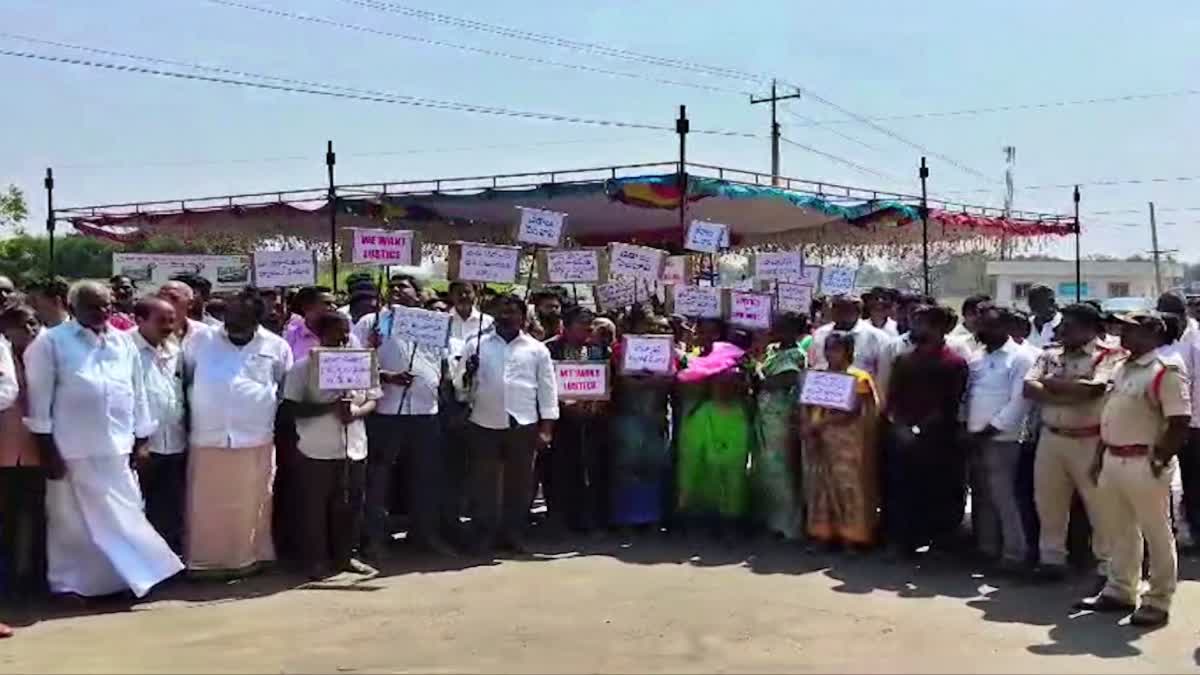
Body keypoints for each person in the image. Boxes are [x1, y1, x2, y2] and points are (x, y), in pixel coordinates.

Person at [24, 281, 182, 598]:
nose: (103, 311)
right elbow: (39, 402)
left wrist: (142, 441)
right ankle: (70, 586)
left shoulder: (123, 344)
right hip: (71, 450)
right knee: (72, 523)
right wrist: (47, 450)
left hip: (118, 447)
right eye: (94, 306)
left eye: (107, 305)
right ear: (72, 308)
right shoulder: (51, 343)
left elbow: (137, 395)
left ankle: (122, 581)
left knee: (125, 516)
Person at [1076, 311, 1190, 628]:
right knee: (1119, 529)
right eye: (1122, 328)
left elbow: (1179, 421)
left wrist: (1160, 458)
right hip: (1113, 457)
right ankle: (1120, 589)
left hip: (1144, 460)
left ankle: (1157, 599)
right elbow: (1110, 416)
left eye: (1131, 329)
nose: (1122, 334)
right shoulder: (1123, 366)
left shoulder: (1165, 369)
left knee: (1156, 532)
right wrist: (1100, 456)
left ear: (1153, 333)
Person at [184, 288, 292, 577]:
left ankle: (249, 559)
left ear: (256, 319)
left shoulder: (276, 346)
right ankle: (204, 564)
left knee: (251, 504)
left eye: (242, 317)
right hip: (209, 436)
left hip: (255, 437)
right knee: (205, 506)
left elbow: (283, 387)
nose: (231, 321)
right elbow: (187, 376)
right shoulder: (200, 339)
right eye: (229, 314)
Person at [353, 274, 456, 558]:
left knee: (426, 478)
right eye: (392, 286)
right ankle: (374, 539)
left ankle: (425, 536)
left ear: (418, 293)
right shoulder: (372, 322)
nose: (397, 290)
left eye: (404, 286)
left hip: (426, 412)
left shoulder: (432, 323)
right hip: (385, 412)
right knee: (378, 479)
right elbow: (352, 363)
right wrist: (385, 375)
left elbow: (442, 361)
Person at [1023, 303, 1124, 583]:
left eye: (1070, 325)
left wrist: (1052, 385)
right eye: (1062, 324)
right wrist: (1069, 393)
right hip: (1051, 437)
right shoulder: (1050, 353)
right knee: (1048, 502)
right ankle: (1051, 560)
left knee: (1100, 505)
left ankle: (1108, 567)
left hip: (1090, 439)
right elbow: (1029, 387)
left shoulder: (1109, 355)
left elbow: (1094, 389)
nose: (1062, 330)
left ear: (1090, 329)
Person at [455, 294, 559, 555]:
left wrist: (546, 428)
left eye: (513, 312)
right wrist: (468, 372)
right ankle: (485, 534)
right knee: (484, 483)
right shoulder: (476, 344)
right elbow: (459, 388)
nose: (507, 316)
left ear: (523, 317)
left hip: (523, 424)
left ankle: (513, 533)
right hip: (483, 421)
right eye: (502, 311)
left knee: (520, 483)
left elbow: (547, 391)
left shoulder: (537, 349)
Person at [283, 311, 378, 579]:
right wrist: (327, 408)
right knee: (314, 509)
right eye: (337, 331)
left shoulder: (361, 363)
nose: (344, 337)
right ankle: (315, 561)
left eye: (346, 331)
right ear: (321, 335)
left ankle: (346, 557)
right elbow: (290, 409)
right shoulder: (303, 367)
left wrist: (356, 413)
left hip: (354, 448)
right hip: (316, 449)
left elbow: (372, 399)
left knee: (350, 506)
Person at [883, 304, 969, 557]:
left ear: (941, 328)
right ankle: (903, 541)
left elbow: (951, 403)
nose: (917, 328)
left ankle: (940, 543)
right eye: (915, 322)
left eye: (924, 323)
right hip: (903, 436)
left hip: (939, 439)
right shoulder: (903, 359)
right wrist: (900, 426)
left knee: (939, 491)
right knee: (902, 489)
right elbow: (893, 398)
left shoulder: (954, 363)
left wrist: (921, 429)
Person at [965, 303, 1036, 571]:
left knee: (1004, 497)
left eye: (991, 324)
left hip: (1003, 438)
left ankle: (1014, 553)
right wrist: (968, 429)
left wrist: (991, 429)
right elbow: (969, 396)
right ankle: (987, 548)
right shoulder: (977, 357)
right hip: (975, 437)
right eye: (981, 324)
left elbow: (1019, 402)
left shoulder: (1019, 358)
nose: (984, 329)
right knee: (982, 495)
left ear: (1006, 327)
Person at [802, 331, 880, 547]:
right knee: (821, 487)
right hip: (819, 440)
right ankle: (823, 534)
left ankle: (852, 537)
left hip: (848, 443)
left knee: (848, 487)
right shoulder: (817, 375)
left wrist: (822, 423)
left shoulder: (858, 378)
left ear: (849, 352)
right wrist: (808, 426)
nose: (831, 354)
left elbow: (855, 410)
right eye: (828, 348)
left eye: (836, 349)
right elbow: (807, 406)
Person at [675, 339, 753, 537]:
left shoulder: (741, 371)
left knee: (733, 471)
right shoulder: (698, 365)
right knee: (697, 469)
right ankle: (700, 517)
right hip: (709, 417)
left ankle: (730, 521)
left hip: (732, 419)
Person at [543, 305, 610, 533]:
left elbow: (606, 381)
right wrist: (563, 404)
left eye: (590, 324)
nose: (588, 328)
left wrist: (596, 403)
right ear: (567, 326)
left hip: (591, 421)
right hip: (559, 421)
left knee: (591, 469)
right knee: (559, 471)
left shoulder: (597, 350)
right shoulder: (550, 349)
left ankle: (587, 519)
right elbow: (544, 384)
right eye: (582, 323)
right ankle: (559, 519)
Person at [131, 297, 187, 554]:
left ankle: (168, 562)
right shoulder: (124, 349)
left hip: (174, 442)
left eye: (171, 321)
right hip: (140, 447)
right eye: (161, 321)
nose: (168, 327)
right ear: (140, 320)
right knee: (138, 508)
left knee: (169, 507)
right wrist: (138, 442)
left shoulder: (175, 350)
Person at [608, 312, 673, 531]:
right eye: (645, 325)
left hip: (656, 416)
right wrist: (652, 382)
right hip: (629, 416)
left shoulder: (665, 349)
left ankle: (650, 518)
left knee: (653, 467)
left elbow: (670, 379)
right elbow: (622, 382)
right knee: (627, 466)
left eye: (652, 326)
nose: (649, 330)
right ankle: (626, 519)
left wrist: (657, 382)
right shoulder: (620, 349)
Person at [0, 305, 45, 602]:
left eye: (32, 323)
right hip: (4, 453)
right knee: (7, 521)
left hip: (39, 453)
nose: (27, 330)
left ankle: (35, 579)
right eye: (19, 325)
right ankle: (8, 583)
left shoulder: (44, 357)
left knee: (38, 518)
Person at [751, 313, 807, 540]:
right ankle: (770, 520)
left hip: (781, 417)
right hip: (765, 415)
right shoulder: (773, 351)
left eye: (781, 327)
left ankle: (788, 526)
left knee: (781, 471)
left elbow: (774, 382)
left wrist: (754, 368)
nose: (775, 330)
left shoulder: (796, 356)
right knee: (766, 469)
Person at [807, 295, 889, 378]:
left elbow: (883, 373)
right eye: (835, 307)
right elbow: (812, 363)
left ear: (858, 312)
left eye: (845, 308)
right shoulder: (820, 333)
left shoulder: (877, 337)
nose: (838, 312)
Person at [283, 286, 340, 361]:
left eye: (334, 303)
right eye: (327, 303)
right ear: (307, 306)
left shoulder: (345, 336)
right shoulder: (291, 335)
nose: (334, 307)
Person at [157, 280, 210, 351]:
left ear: (190, 303)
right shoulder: (144, 333)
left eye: (173, 298)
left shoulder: (205, 332)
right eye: (160, 298)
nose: (165, 303)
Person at [447, 281, 494, 355]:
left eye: (467, 292)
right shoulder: (442, 320)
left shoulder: (488, 321)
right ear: (451, 295)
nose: (463, 296)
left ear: (475, 294)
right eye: (459, 293)